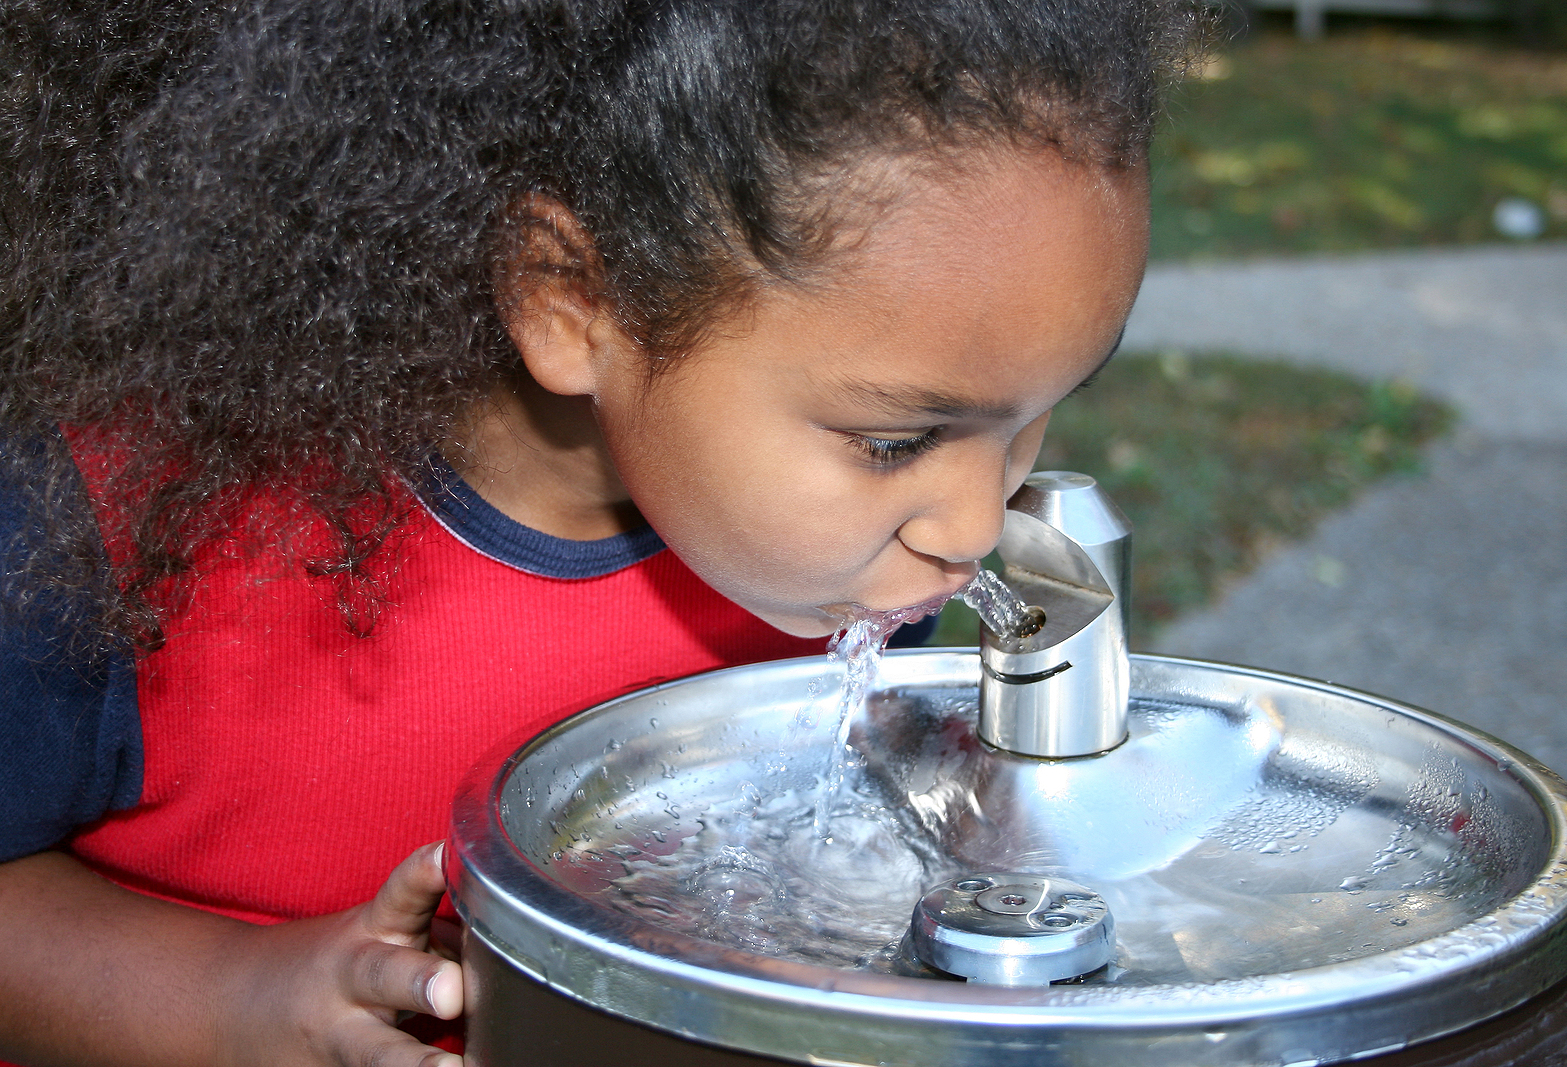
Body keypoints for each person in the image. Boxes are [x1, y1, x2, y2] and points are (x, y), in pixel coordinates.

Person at [0, 0, 1196, 1064]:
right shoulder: (114, 529)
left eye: (1040, 417)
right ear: (571, 297)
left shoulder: (847, 571)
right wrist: (228, 1002)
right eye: (893, 442)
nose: (975, 526)